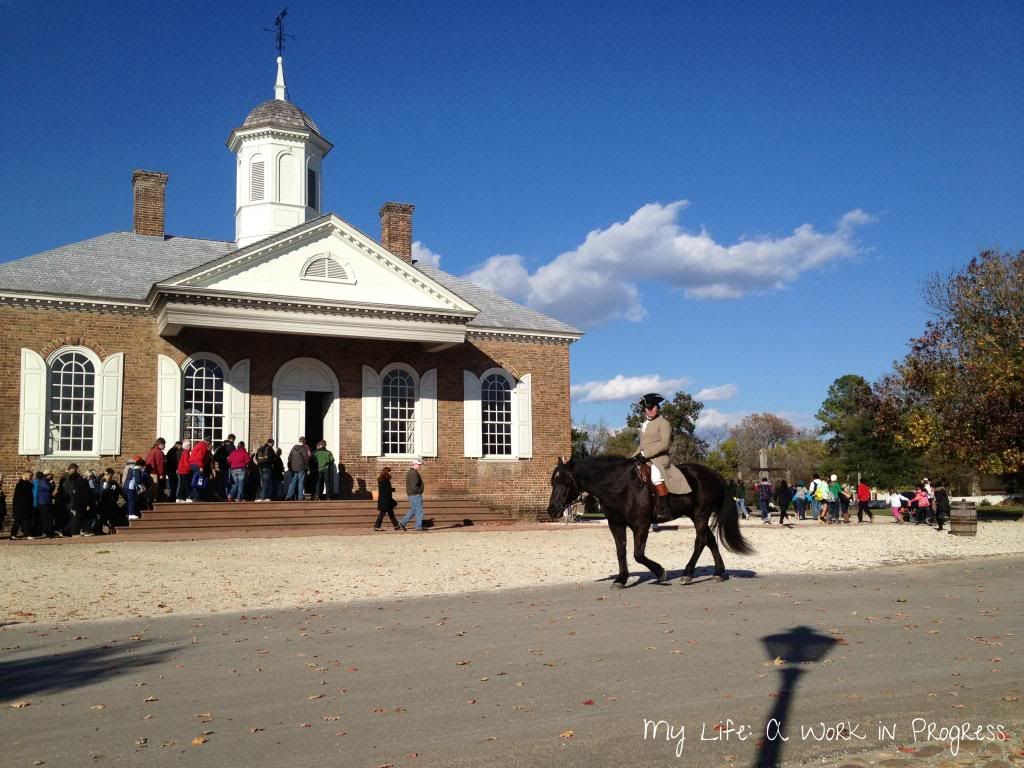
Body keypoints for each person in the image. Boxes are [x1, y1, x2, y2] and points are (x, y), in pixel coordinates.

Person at [630, 393, 673, 530]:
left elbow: (665, 444)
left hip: (659, 458)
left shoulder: (664, 423)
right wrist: (632, 457)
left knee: (655, 476)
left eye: (653, 407)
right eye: (647, 408)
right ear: (644, 410)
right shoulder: (644, 425)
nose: (650, 410)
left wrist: (645, 454)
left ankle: (664, 510)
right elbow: (641, 445)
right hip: (645, 457)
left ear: (657, 408)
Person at [61, 463, 93, 536]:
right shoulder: (68, 478)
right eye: (75, 470)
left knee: (75, 517)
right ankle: (73, 532)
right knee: (76, 517)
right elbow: (70, 490)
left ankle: (70, 531)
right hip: (72, 501)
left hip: (73, 501)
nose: (76, 471)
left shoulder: (74, 480)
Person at [398, 458, 426, 531]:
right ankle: (418, 526)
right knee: (419, 510)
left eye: (420, 465)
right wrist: (419, 491)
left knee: (413, 510)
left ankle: (402, 522)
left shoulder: (411, 472)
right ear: (415, 464)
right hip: (415, 494)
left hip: (412, 494)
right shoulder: (413, 473)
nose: (420, 466)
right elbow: (414, 486)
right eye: (419, 465)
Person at [374, 466, 402, 530]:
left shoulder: (382, 479)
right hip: (385, 500)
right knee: (382, 513)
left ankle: (396, 525)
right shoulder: (384, 480)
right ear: (386, 472)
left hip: (385, 499)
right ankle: (377, 526)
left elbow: (385, 489)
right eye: (390, 472)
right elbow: (386, 490)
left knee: (391, 513)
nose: (390, 474)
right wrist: (392, 490)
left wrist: (392, 489)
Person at [10, 470, 35, 540]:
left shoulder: (24, 483)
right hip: (21, 506)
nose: (31, 478)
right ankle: (13, 534)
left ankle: (26, 534)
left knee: (24, 521)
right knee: (18, 521)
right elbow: (24, 495)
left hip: (24, 505)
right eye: (30, 476)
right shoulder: (23, 484)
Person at [188, 438, 211, 502]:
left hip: (193, 464)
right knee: (198, 481)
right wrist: (201, 466)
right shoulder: (203, 446)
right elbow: (200, 456)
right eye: (209, 443)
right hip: (197, 465)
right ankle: (195, 497)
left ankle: (192, 496)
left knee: (196, 481)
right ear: (208, 442)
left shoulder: (198, 445)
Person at [145, 438, 167, 504]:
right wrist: (161, 474)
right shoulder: (158, 452)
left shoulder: (152, 451)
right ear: (160, 444)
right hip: (155, 473)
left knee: (152, 488)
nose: (164, 446)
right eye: (164, 444)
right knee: (155, 489)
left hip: (149, 472)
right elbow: (159, 464)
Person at [34, 471, 55, 538]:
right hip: (44, 502)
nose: (52, 476)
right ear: (47, 475)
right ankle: (47, 532)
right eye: (51, 475)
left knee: (48, 518)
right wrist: (52, 484)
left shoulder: (46, 481)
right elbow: (49, 488)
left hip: (46, 501)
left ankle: (48, 532)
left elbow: (50, 490)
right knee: (46, 518)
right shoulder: (43, 481)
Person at [175, 439, 192, 503]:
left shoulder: (184, 452)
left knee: (182, 485)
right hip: (185, 471)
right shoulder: (186, 453)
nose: (190, 447)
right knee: (187, 485)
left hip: (181, 471)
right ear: (187, 446)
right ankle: (188, 498)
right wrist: (190, 468)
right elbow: (186, 463)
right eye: (190, 445)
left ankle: (179, 498)